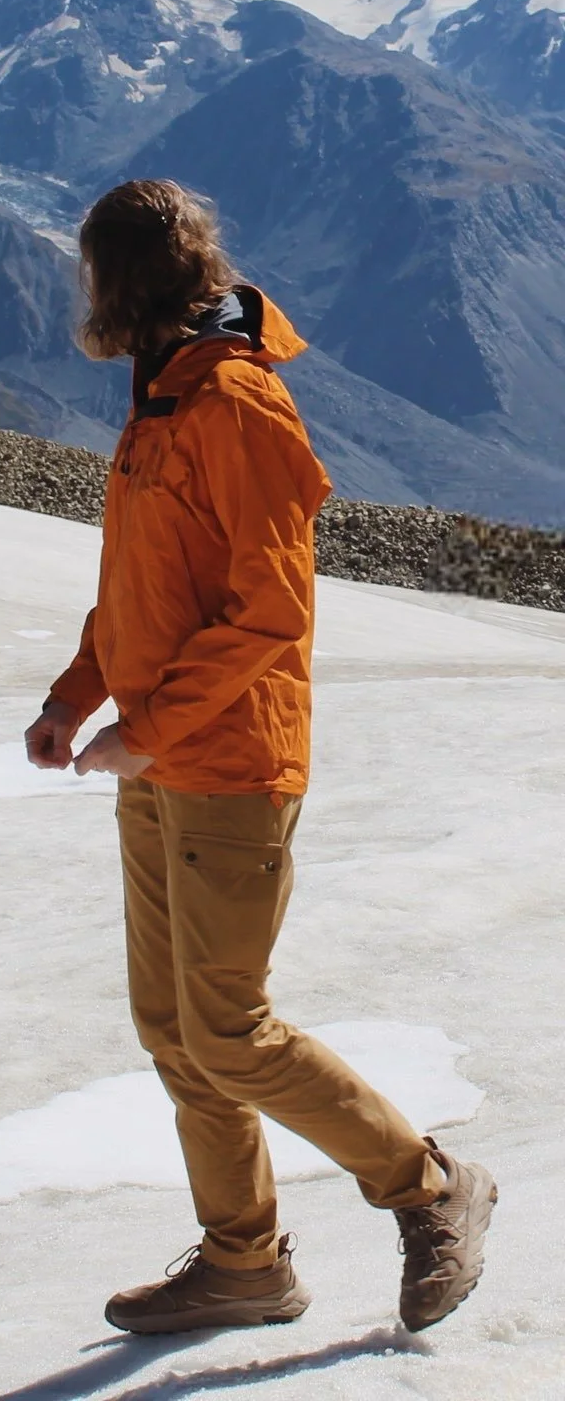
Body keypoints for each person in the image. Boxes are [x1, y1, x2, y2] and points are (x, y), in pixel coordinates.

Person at [26, 178, 496, 1336]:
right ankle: (243, 1261)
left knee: (228, 1025)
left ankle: (432, 1185)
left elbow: (270, 612)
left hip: (228, 762)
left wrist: (143, 728)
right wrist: (76, 697)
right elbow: (144, 587)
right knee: (175, 1024)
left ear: (117, 279)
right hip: (157, 757)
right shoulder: (165, 397)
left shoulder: (236, 406)